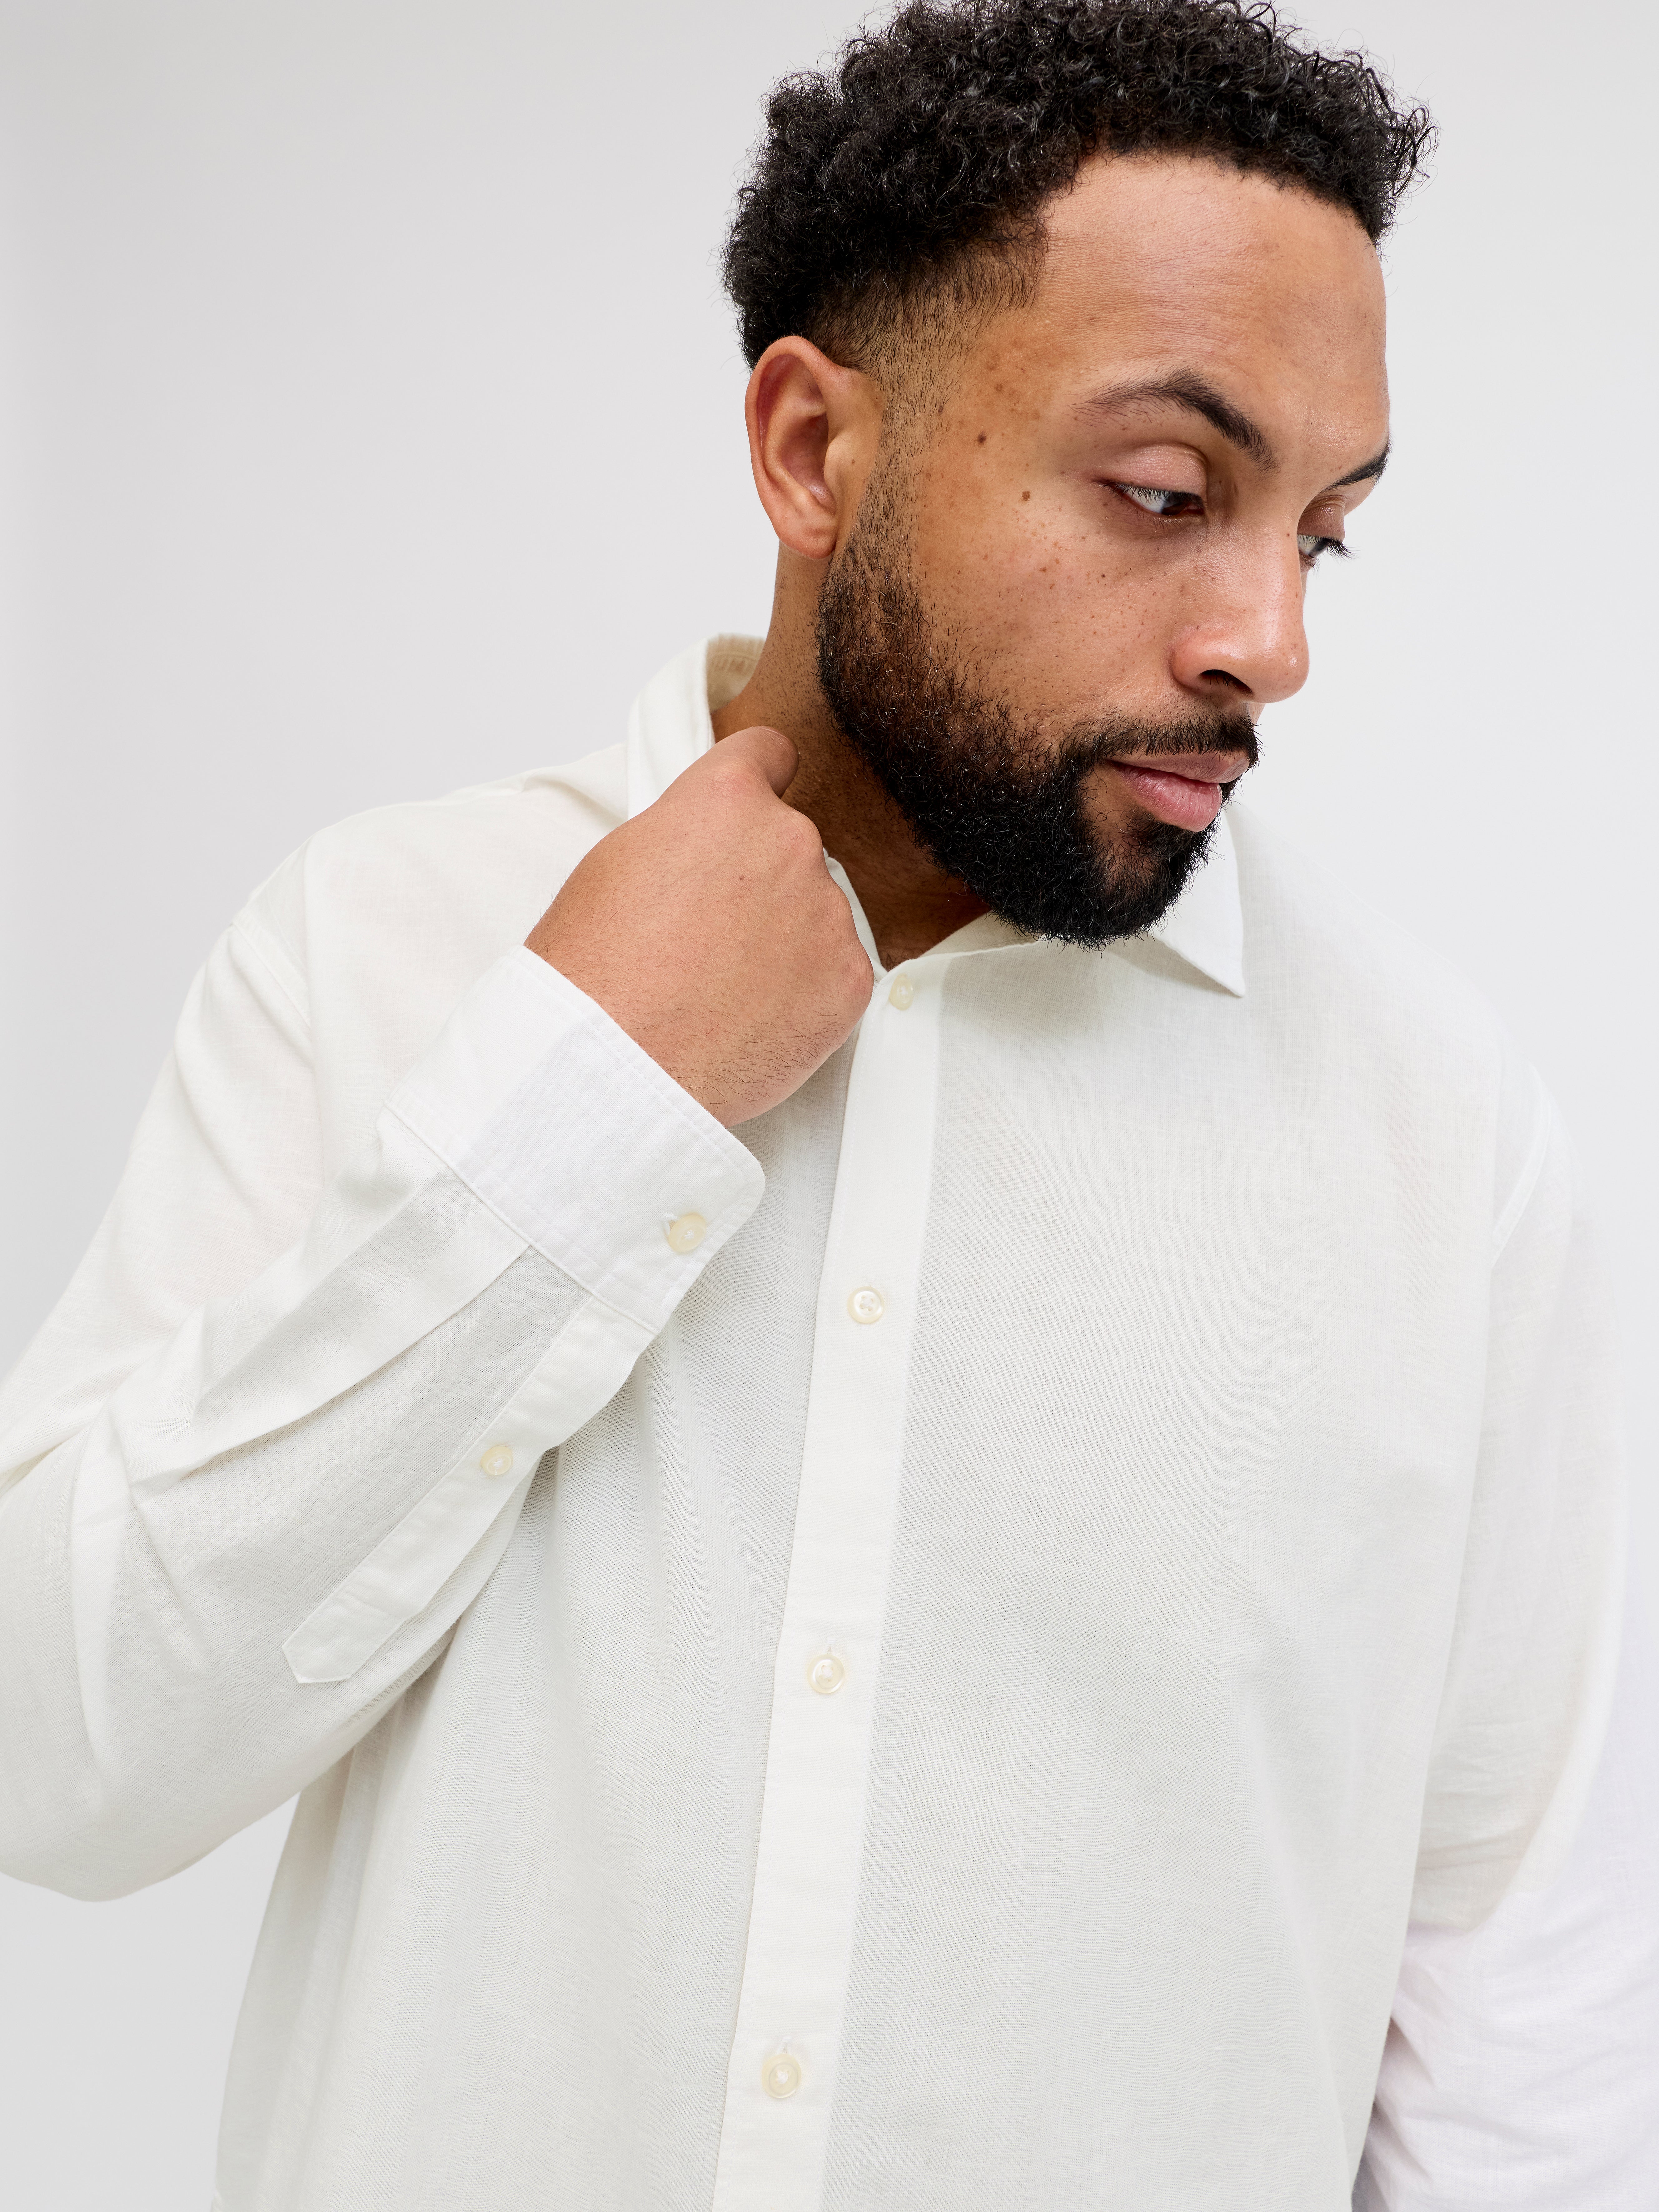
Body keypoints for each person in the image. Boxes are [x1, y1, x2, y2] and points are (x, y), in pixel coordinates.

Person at [1, 0, 1653, 2204]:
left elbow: (1525, 2061)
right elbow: (62, 1754)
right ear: (810, 450)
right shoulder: (383, 947)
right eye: (1169, 496)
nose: (1270, 639)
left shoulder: (1443, 1154)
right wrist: (588, 1092)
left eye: (1321, 532)